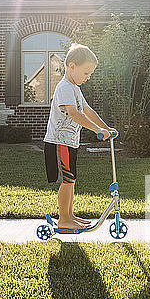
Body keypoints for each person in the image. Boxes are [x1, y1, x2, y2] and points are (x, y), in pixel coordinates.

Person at [43, 43, 118, 230]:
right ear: (72, 66)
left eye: (90, 74)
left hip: (69, 142)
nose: (88, 77)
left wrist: (105, 127)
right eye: (86, 73)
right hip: (59, 142)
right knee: (67, 180)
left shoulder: (75, 88)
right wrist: (97, 131)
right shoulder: (65, 88)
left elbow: (87, 110)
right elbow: (76, 114)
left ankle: (69, 216)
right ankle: (63, 219)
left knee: (71, 180)